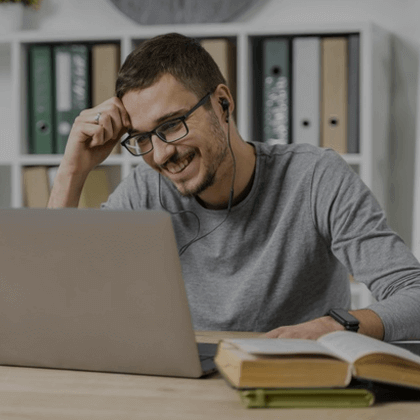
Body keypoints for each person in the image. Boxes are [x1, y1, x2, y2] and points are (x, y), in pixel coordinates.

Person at [48, 33, 420, 342]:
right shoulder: (146, 190)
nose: (161, 155)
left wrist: (334, 326)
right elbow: (57, 296)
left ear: (222, 103)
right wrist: (71, 171)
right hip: (189, 384)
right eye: (142, 138)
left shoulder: (315, 177)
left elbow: (414, 297)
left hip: (298, 379)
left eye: (173, 124)